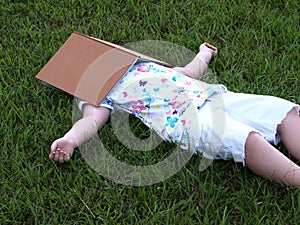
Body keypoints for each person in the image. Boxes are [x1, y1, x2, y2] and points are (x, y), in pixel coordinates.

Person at [49, 43, 300, 187]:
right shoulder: (94, 88)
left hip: (216, 97)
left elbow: (188, 72)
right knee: (245, 139)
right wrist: (70, 140)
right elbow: (91, 120)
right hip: (184, 119)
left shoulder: (140, 62)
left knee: (280, 110)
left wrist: (204, 54)